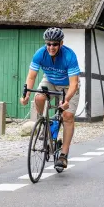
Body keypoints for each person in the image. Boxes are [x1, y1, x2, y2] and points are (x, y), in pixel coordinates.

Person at [20, 27, 80, 169]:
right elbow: (31, 76)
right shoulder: (40, 54)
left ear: (61, 44)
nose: (51, 47)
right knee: (39, 97)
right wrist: (26, 95)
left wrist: (66, 100)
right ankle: (46, 122)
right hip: (50, 80)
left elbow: (74, 84)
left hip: (68, 86)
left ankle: (63, 156)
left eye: (55, 44)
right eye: (49, 44)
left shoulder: (69, 56)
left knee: (67, 115)